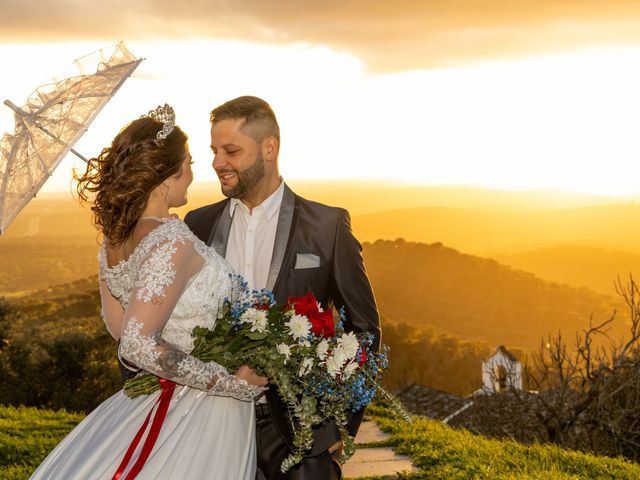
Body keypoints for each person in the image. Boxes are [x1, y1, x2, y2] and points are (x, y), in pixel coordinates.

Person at [30, 105, 266, 480]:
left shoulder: (114, 240)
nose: (193, 170)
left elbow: (118, 324)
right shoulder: (170, 239)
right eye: (188, 161)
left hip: (156, 396)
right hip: (201, 407)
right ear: (167, 173)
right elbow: (136, 345)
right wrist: (232, 384)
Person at [184, 96, 381, 480]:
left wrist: (341, 426)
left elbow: (365, 330)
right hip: (213, 426)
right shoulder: (197, 225)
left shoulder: (327, 227)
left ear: (269, 148)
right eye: (214, 151)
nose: (217, 163)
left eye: (230, 150)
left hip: (301, 434)